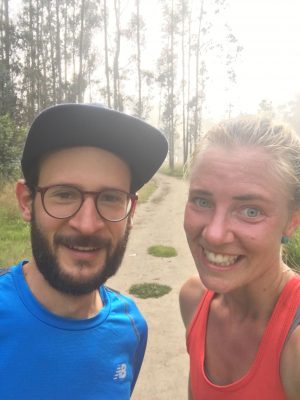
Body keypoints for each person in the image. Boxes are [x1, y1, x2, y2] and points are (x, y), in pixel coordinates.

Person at [0, 103, 168, 399]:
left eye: (110, 198)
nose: (88, 225)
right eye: (64, 194)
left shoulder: (131, 328)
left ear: (131, 211)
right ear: (27, 202)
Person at [179, 115, 300, 400]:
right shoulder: (194, 300)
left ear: (292, 222)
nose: (214, 234)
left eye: (250, 211)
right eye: (202, 201)